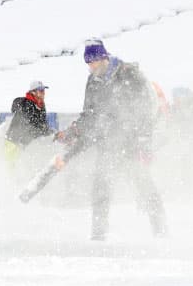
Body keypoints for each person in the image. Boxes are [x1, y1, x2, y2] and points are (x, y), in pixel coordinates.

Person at [57, 39, 166, 240]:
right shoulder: (93, 81)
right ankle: (98, 236)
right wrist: (75, 130)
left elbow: (147, 108)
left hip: (131, 143)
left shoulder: (129, 74)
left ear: (104, 58)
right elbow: (90, 114)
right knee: (100, 187)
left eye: (94, 62)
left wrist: (142, 139)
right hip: (107, 143)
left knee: (143, 184)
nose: (91, 68)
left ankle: (160, 232)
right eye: (88, 64)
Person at [5, 80, 54, 163]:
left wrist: (51, 133)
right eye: (41, 90)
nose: (43, 93)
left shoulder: (41, 105)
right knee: (11, 169)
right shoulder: (26, 104)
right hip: (13, 142)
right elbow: (33, 125)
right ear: (33, 92)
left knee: (21, 167)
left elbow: (43, 124)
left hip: (24, 143)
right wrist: (48, 132)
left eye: (44, 90)